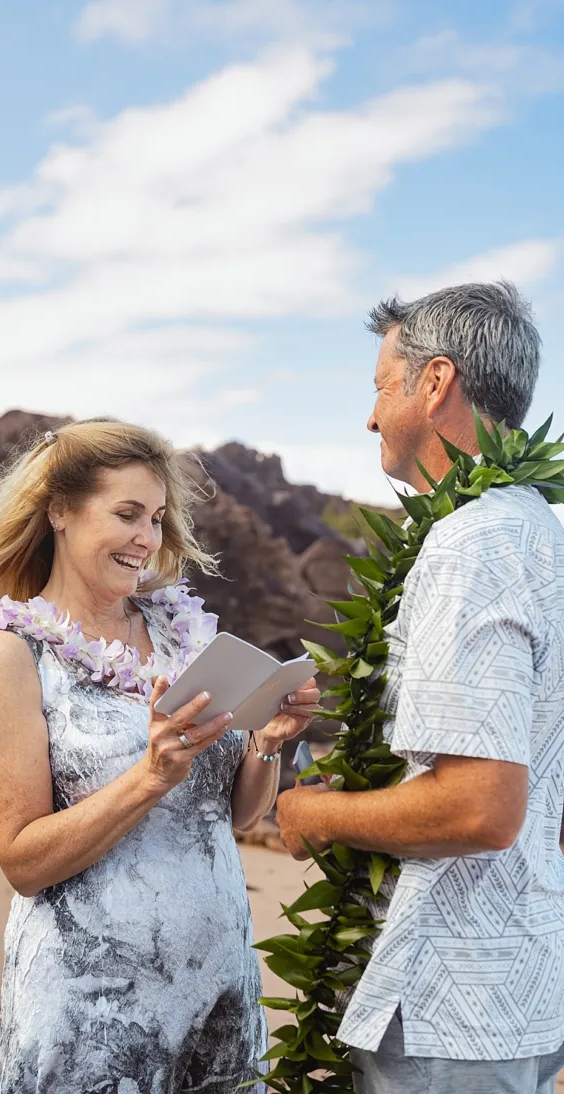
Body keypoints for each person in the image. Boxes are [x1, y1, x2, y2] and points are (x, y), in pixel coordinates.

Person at [0, 418, 319, 1094]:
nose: (147, 539)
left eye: (155, 518)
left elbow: (230, 818)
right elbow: (22, 861)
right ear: (60, 510)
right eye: (126, 514)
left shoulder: (181, 635)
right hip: (94, 1013)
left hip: (218, 990)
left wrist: (266, 745)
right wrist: (150, 777)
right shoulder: (12, 654)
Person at [275, 282, 564, 1094]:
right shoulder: (540, 531)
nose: (370, 416)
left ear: (434, 384)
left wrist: (317, 813)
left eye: (379, 386)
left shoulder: (472, 543)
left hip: (453, 1011)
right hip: (520, 987)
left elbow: (479, 807)